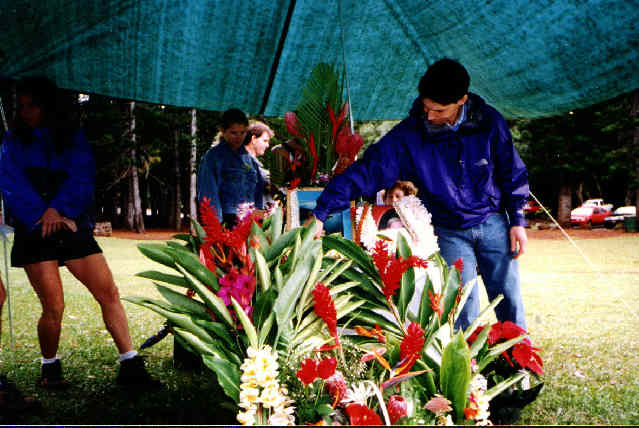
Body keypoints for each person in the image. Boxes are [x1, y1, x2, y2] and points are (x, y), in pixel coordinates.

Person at [309, 58, 529, 330]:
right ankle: (469, 370)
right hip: (450, 232)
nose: (430, 117)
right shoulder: (410, 135)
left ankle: (522, 366)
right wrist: (322, 211)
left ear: (461, 100)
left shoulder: (490, 122)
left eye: (438, 110)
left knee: (510, 301)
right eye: (426, 107)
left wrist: (517, 220)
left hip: (494, 223)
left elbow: (511, 170)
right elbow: (367, 171)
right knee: (460, 309)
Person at [0, 77, 159, 389]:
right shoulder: (11, 142)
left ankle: (130, 363)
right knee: (54, 306)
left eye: (32, 105)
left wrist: (59, 209)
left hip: (70, 222)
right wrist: (41, 213)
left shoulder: (72, 137)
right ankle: (50, 368)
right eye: (21, 107)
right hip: (35, 228)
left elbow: (82, 176)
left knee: (108, 292)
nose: (26, 112)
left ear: (47, 105)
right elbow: (11, 185)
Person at [197, 109, 265, 226]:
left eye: (242, 133)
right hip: (226, 220)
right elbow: (208, 193)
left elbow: (259, 191)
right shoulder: (213, 157)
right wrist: (215, 225)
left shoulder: (249, 159)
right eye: (233, 133)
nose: (238, 137)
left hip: (250, 221)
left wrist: (259, 220)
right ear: (223, 131)